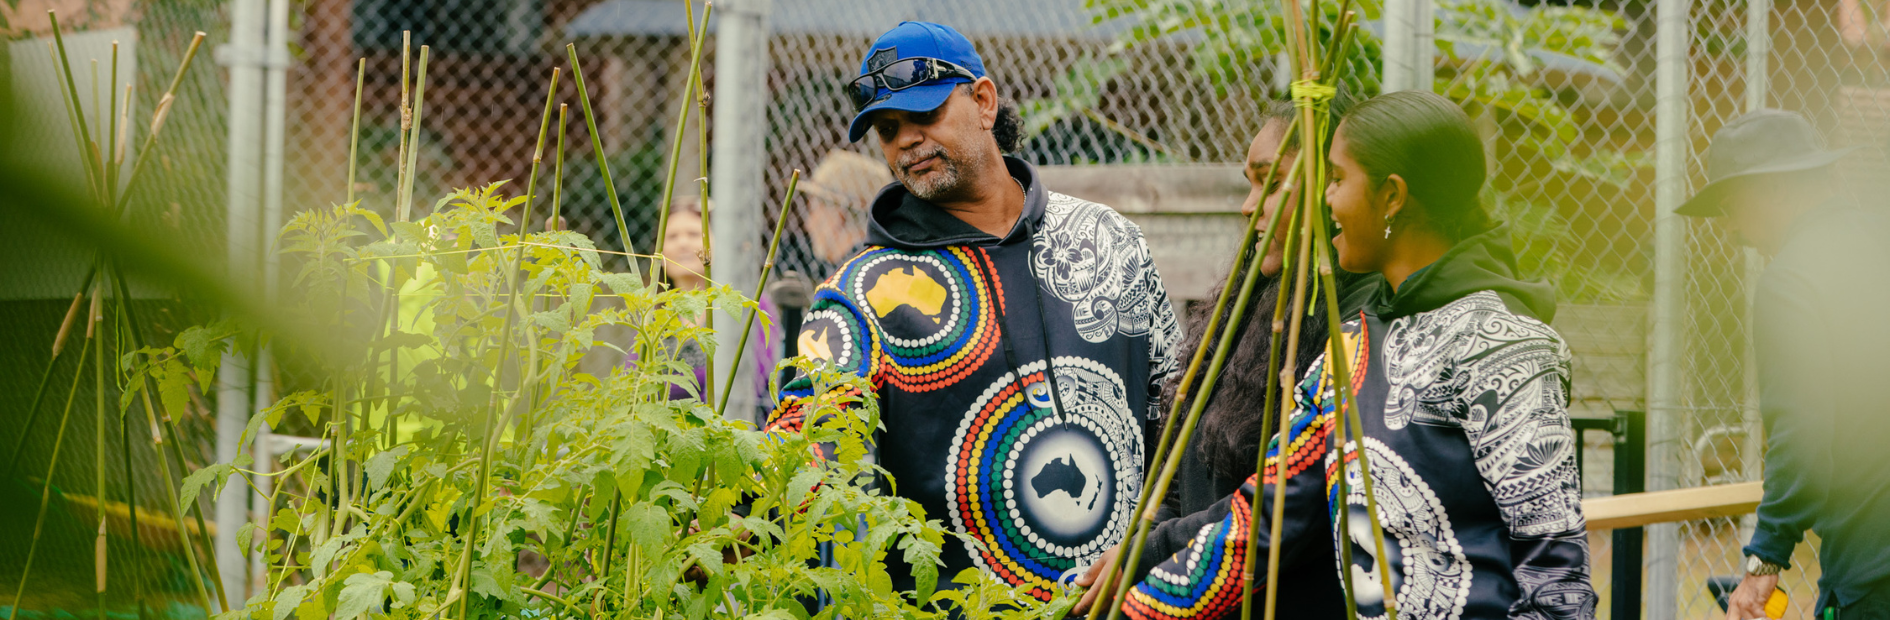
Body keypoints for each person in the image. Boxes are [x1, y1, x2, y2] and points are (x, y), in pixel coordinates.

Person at [1109, 91, 1594, 619]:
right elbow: (1260, 520)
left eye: (1336, 181)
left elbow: (1557, 578)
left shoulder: (1505, 346)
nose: (1329, 202)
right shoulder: (1353, 346)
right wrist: (1137, 605)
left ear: (1391, 196)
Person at [765, 21, 1182, 600]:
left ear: (983, 101)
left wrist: (1157, 545)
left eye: (924, 115)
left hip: (1128, 602)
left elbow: (1179, 416)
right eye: (888, 129)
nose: (906, 140)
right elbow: (800, 449)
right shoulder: (863, 294)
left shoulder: (1107, 241)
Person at [1069, 94, 1370, 616]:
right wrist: (1140, 548)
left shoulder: (1356, 329)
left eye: (1271, 182)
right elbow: (1182, 477)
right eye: (1248, 183)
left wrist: (1149, 558)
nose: (1248, 205)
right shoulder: (1252, 304)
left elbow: (1287, 510)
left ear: (1334, 187)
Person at [1681, 110, 1890, 620]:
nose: (1729, 226)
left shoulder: (1791, 281)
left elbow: (1803, 432)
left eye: (1730, 205)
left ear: (1772, 189)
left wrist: (1764, 560)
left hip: (1874, 566)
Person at [628, 197, 780, 410]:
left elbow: (754, 375)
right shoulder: (653, 311)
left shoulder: (744, 302)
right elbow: (632, 380)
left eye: (693, 234)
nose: (683, 243)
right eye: (671, 237)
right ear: (659, 253)